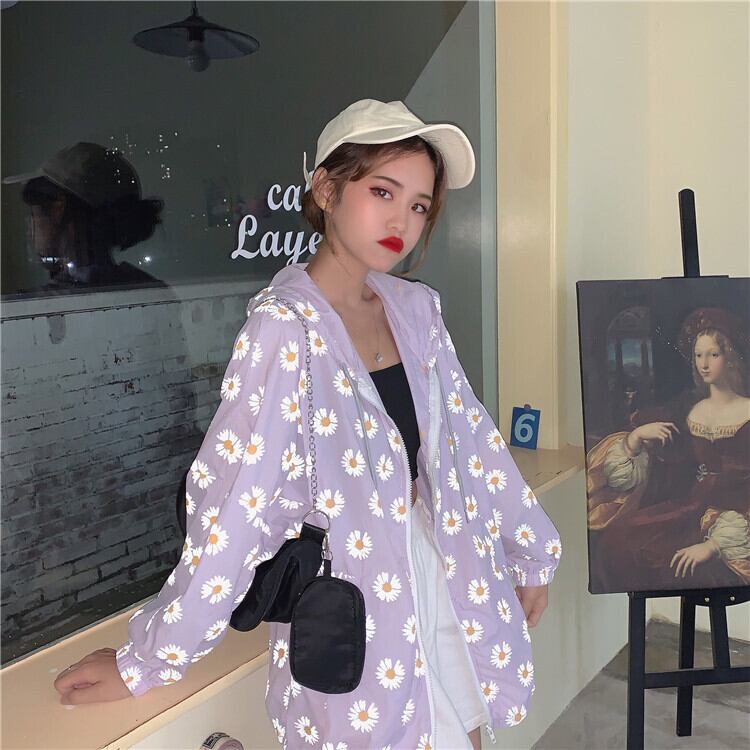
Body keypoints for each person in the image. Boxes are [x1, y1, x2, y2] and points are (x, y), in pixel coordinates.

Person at [53, 99, 562, 749]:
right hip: (357, 601)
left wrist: (529, 547)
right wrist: (146, 660)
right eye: (382, 191)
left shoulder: (416, 311)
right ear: (325, 189)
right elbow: (237, 502)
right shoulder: (285, 328)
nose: (402, 221)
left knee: (464, 731)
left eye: (419, 205)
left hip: (441, 569)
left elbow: (469, 441)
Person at [587, 307, 750, 592]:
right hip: (686, 507)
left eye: (713, 354)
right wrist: (636, 437)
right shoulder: (686, 408)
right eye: (698, 355)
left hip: (735, 514)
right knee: (617, 544)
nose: (704, 364)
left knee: (702, 570)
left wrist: (714, 545)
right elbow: (662, 455)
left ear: (730, 357)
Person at [3, 141, 165, 292]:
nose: (30, 228)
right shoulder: (149, 290)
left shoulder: (36, 305)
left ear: (58, 208)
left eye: (34, 214)